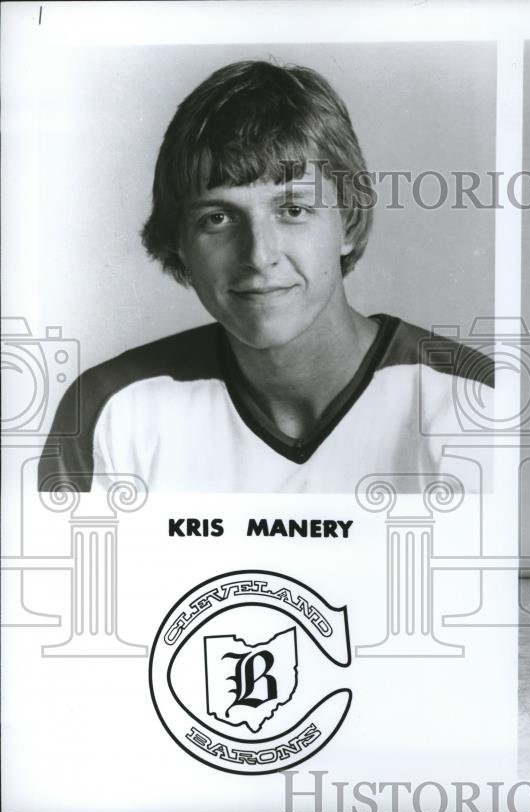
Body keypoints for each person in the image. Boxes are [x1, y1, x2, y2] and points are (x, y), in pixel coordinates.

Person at [38, 60, 492, 493]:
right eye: (218, 218)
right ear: (179, 242)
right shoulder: (112, 409)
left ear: (348, 224)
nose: (258, 255)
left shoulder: (468, 400)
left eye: (293, 210)